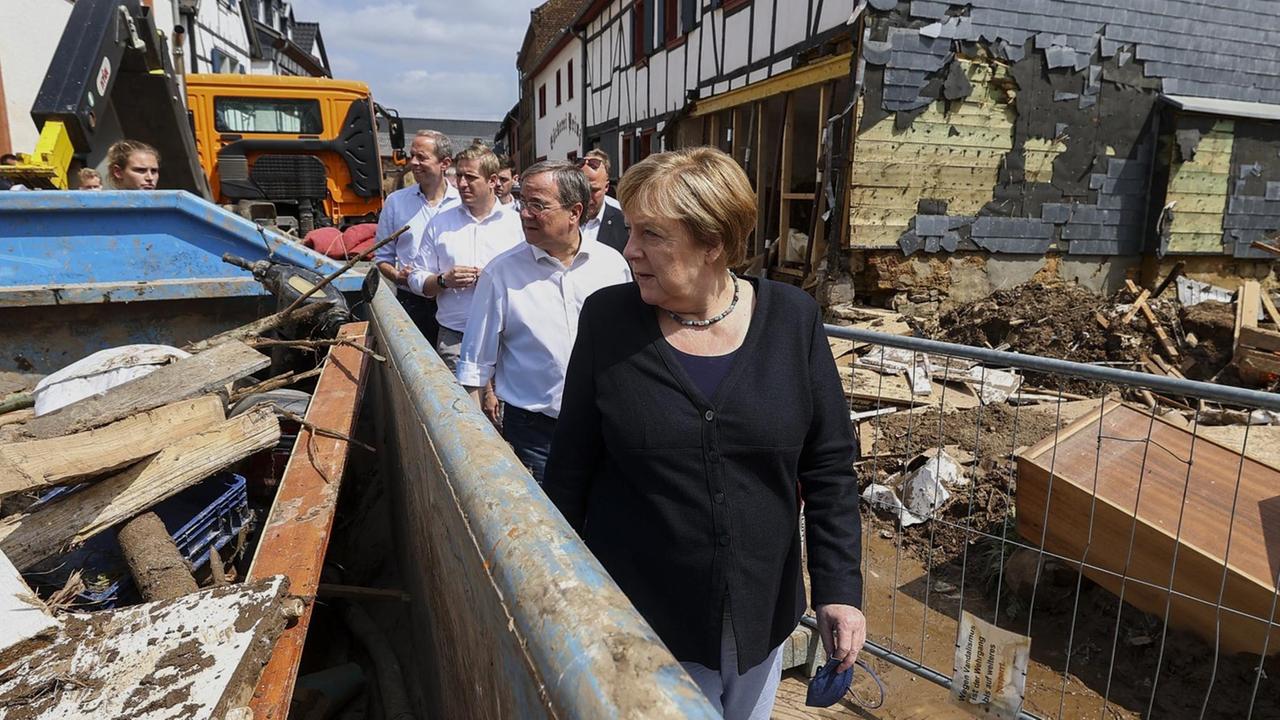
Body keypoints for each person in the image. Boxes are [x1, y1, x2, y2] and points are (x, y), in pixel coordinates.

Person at [542, 147, 865, 720]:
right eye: (631, 230)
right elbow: (571, 468)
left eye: (652, 235)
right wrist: (557, 592)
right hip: (646, 622)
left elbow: (829, 467)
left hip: (760, 615)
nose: (629, 250)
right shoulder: (607, 322)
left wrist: (839, 589)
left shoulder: (793, 320)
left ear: (713, 243)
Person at [455, 161, 630, 483]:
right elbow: (475, 365)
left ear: (574, 212)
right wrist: (475, 445)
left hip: (608, 424)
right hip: (535, 434)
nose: (524, 214)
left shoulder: (612, 266)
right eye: (523, 203)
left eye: (538, 205)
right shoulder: (501, 273)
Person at [403, 144, 524, 371]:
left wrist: (492, 278)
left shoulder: (517, 225)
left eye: (470, 177)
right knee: (458, 405)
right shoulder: (441, 223)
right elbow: (416, 277)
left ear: (492, 180)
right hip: (455, 338)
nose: (461, 184)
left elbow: (531, 277)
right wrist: (443, 280)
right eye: (458, 176)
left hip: (507, 338)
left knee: (505, 406)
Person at [375, 130, 460, 346]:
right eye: (412, 155)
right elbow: (382, 257)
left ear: (445, 163)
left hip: (455, 301)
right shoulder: (396, 202)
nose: (414, 162)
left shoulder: (462, 203)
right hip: (412, 303)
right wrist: (397, 276)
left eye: (422, 157)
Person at [576, 149, 628, 253]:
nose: (587, 197)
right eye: (581, 189)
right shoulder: (563, 220)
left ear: (606, 187)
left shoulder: (624, 224)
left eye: (594, 190)